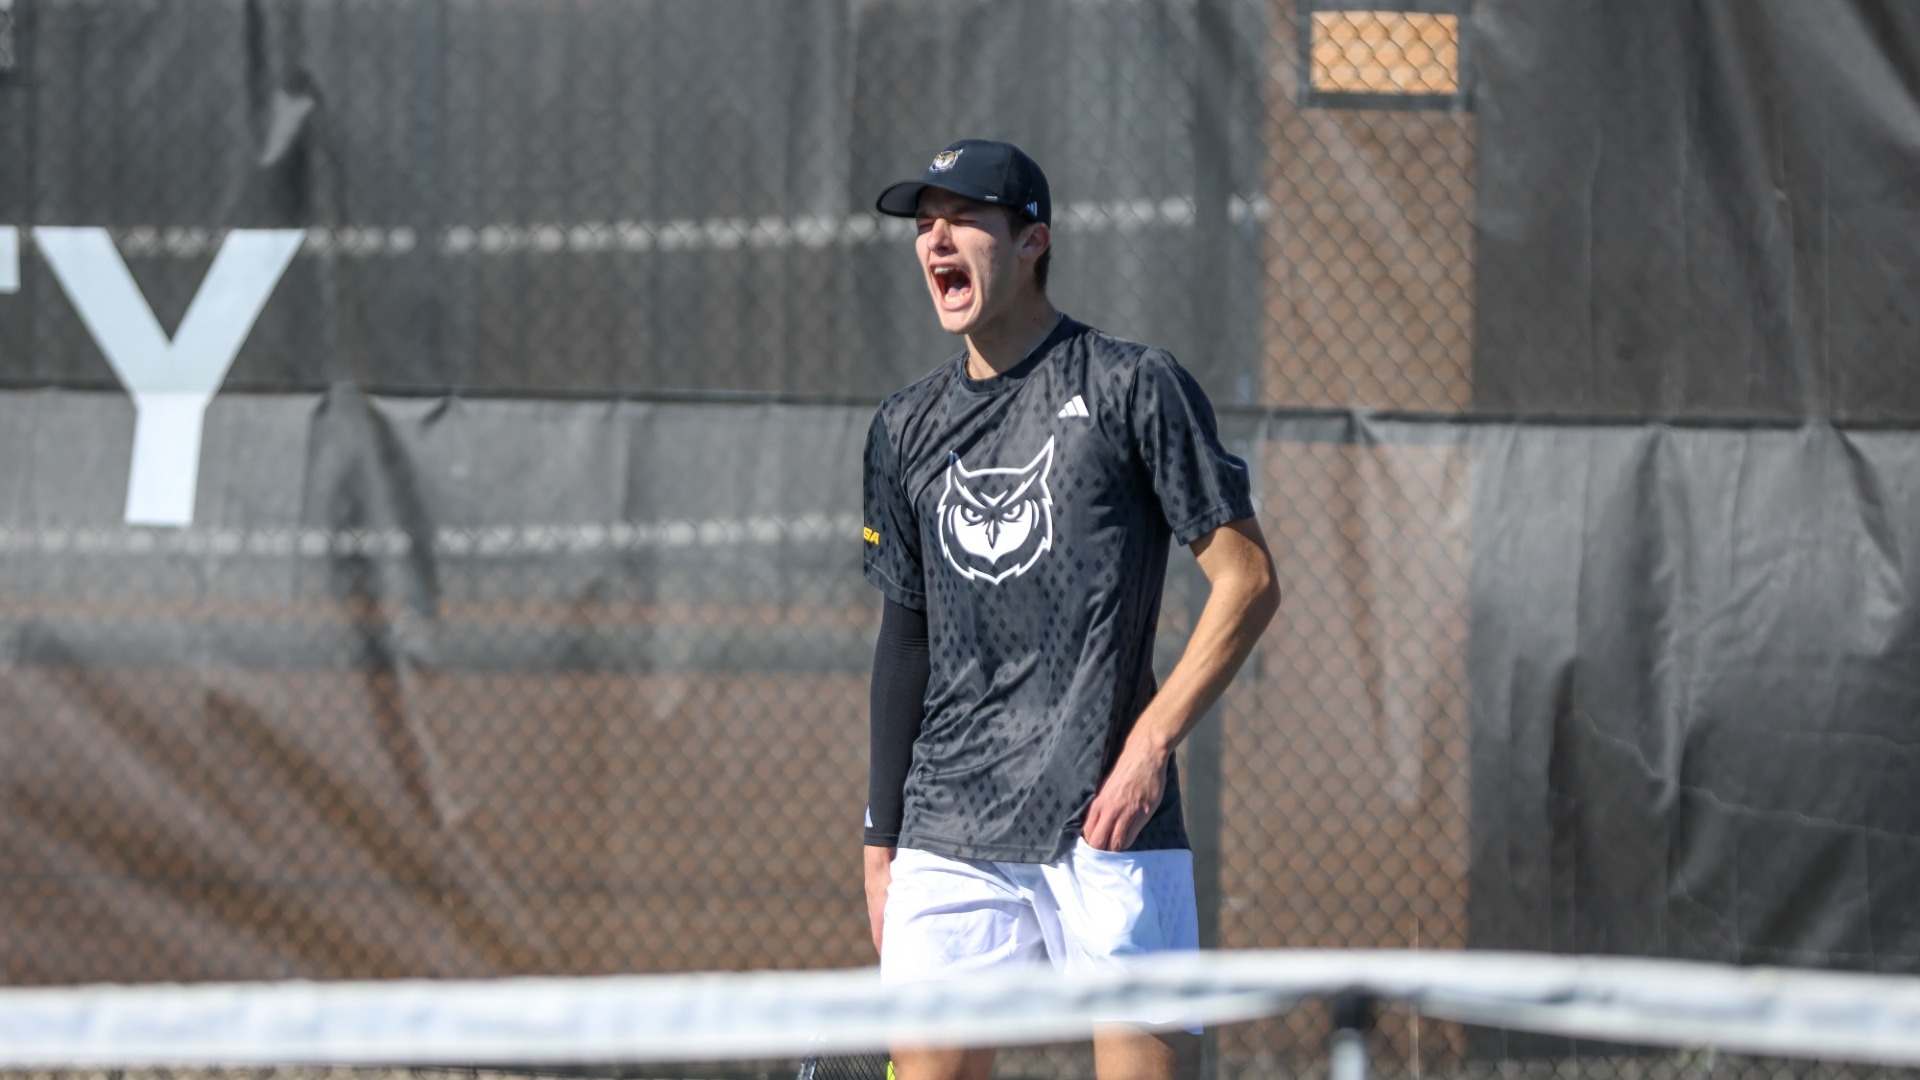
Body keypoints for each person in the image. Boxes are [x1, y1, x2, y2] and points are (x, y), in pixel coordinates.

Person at [860, 138, 1280, 1080]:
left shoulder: (1134, 386)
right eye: (924, 226)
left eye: (964, 218)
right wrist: (880, 840)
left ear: (1033, 240)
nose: (937, 240)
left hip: (1110, 826)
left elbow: (1248, 580)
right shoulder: (901, 429)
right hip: (947, 832)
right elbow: (905, 638)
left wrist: (1149, 746)